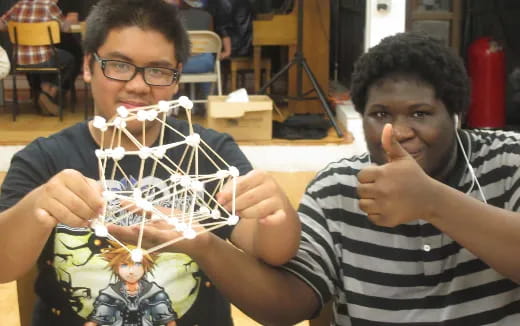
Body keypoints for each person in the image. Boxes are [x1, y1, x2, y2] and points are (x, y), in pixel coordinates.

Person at [132, 32, 520, 325]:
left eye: (420, 113)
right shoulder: (338, 188)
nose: (398, 132)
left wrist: (432, 201)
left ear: (456, 114)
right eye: (381, 114)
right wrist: (202, 244)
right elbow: (289, 304)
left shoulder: (508, 159)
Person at [0, 0, 300, 325]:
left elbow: (272, 250)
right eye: (118, 64)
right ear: (88, 66)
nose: (138, 85)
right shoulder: (44, 159)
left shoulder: (212, 152)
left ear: (176, 79)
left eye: (157, 70)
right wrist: (37, 207)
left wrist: (277, 214)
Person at [0, 0, 76, 116]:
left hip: (20, 60)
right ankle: (47, 94)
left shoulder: (19, 5)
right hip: (44, 58)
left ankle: (42, 95)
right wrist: (70, 20)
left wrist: (13, 28)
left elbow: (1, 24)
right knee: (70, 59)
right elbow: (64, 28)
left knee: (53, 58)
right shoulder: (49, 5)